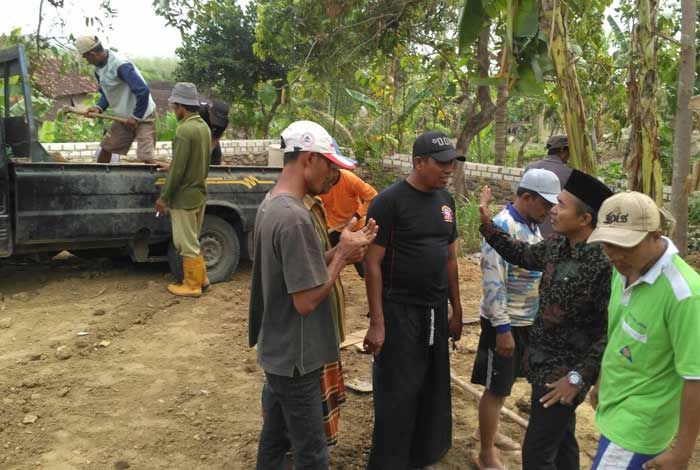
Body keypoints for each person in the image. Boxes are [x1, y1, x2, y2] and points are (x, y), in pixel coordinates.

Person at [248, 120, 377, 469]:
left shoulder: (272, 204)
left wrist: (339, 251)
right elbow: (305, 300)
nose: (333, 176)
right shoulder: (295, 218)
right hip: (297, 358)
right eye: (330, 165)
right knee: (311, 452)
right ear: (308, 159)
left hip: (278, 350)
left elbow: (299, 271)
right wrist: (345, 257)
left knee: (274, 441)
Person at [478, 169, 613, 470]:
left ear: (585, 219)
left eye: (562, 204)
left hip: (564, 375)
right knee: (562, 439)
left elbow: (608, 331)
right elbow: (522, 254)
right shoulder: (557, 246)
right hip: (542, 364)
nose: (553, 209)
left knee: (537, 454)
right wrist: (488, 225)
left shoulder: (602, 262)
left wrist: (578, 378)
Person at [364, 130, 465, 469]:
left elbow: (450, 258)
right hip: (399, 310)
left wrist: (457, 309)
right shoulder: (388, 202)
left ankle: (423, 455)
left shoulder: (445, 203)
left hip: (435, 311)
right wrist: (378, 322)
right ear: (418, 162)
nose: (448, 169)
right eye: (442, 163)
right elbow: (372, 264)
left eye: (452, 162)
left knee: (432, 388)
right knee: (398, 391)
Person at [586, 192, 700, 470]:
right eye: (607, 245)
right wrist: (602, 379)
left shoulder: (685, 295)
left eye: (625, 245)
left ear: (655, 235)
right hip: (616, 407)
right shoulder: (623, 268)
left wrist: (681, 453)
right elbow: (619, 330)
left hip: (640, 426)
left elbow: (695, 377)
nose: (614, 254)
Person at [471, 169, 561, 470]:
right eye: (545, 205)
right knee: (496, 388)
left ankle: (488, 431)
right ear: (526, 197)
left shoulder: (533, 225)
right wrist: (502, 328)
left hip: (527, 321)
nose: (549, 211)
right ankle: (485, 452)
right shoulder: (503, 225)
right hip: (506, 323)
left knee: (507, 384)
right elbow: (493, 281)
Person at [154, 82, 211, 297]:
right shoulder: (203, 127)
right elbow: (193, 161)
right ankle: (202, 279)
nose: (172, 110)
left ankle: (192, 285)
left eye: (173, 106)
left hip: (184, 197)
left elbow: (177, 173)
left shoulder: (184, 130)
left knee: (185, 243)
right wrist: (173, 164)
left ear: (181, 107)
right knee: (192, 240)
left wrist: (164, 197)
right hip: (199, 193)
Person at [75, 35, 157, 164]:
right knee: (106, 148)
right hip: (122, 117)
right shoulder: (98, 70)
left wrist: (136, 117)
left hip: (144, 114)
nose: (87, 61)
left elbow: (143, 91)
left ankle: (159, 181)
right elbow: (107, 93)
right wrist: (98, 107)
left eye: (86, 57)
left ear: (92, 54)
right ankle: (100, 178)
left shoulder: (120, 65)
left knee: (146, 156)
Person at [319, 165, 378, 277]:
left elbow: (372, 196)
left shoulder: (349, 179)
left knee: (364, 270)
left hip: (354, 228)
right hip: (333, 228)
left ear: (336, 170)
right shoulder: (320, 182)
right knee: (323, 264)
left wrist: (356, 216)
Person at [525, 135, 573, 238]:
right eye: (569, 151)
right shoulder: (568, 174)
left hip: (527, 228)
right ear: (562, 151)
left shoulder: (531, 167)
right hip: (551, 232)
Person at [199, 100, 230, 166]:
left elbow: (215, 138)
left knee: (216, 154)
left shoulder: (224, 122)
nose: (217, 122)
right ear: (210, 111)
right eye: (215, 118)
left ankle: (214, 174)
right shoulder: (199, 111)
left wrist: (208, 153)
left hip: (209, 137)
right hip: (195, 136)